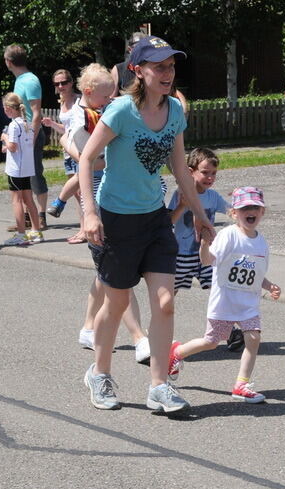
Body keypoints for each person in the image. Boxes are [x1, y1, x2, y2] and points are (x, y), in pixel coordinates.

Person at [77, 36, 215, 413]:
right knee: (117, 301)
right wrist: (89, 212)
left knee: (166, 302)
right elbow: (87, 159)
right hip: (116, 219)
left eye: (171, 66)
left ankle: (159, 386)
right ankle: (100, 373)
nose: (167, 73)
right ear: (138, 70)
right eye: (159, 67)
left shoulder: (174, 111)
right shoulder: (121, 110)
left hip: (154, 217)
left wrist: (201, 217)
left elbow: (180, 169)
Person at [58, 63, 151, 363]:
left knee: (107, 271)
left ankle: (88, 327)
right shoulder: (78, 116)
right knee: (118, 271)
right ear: (87, 92)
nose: (109, 100)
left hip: (115, 190)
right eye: (104, 96)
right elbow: (84, 155)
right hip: (96, 198)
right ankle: (140, 338)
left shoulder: (103, 109)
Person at [167, 187, 281, 403]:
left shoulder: (261, 242)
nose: (251, 211)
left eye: (255, 207)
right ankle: (176, 353)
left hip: (248, 305)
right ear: (234, 213)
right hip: (224, 303)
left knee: (254, 338)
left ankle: (241, 384)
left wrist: (270, 286)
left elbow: (257, 275)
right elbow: (208, 261)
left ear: (262, 212)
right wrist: (203, 245)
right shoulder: (229, 235)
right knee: (211, 342)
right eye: (245, 207)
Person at [169, 148, 229, 292]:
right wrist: (182, 206)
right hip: (182, 254)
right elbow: (169, 221)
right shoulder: (180, 195)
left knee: (217, 286)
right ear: (191, 172)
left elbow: (231, 211)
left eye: (213, 173)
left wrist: (244, 202)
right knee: (171, 290)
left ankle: (218, 314)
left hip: (206, 253)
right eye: (205, 172)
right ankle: (164, 313)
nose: (210, 177)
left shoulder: (213, 196)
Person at [3, 44, 47, 230]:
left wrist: (32, 138)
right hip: (22, 135)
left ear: (9, 62)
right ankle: (27, 219)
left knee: (35, 175)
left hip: (30, 135)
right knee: (21, 178)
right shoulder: (20, 80)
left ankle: (42, 216)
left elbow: (36, 113)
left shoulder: (29, 81)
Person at [43, 69, 86, 243]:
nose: (61, 86)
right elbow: (66, 130)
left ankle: (84, 229)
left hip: (79, 149)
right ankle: (82, 228)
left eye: (64, 82)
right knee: (77, 193)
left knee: (83, 191)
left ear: (71, 82)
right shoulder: (62, 102)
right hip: (67, 151)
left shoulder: (78, 100)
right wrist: (52, 124)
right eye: (57, 84)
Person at [0, 92, 42, 246]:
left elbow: (12, 146)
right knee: (28, 199)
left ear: (8, 108)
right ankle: (36, 231)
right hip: (26, 167)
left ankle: (21, 233)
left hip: (16, 168)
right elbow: (20, 146)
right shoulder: (27, 123)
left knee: (16, 200)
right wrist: (7, 147)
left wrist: (4, 138)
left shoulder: (13, 125)